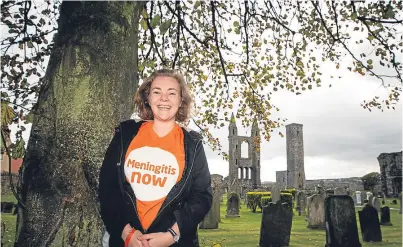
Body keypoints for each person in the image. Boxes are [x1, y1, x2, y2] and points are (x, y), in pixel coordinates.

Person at [99, 69, 213, 247]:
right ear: (147, 98)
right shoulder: (125, 135)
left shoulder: (193, 143)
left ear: (181, 100)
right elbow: (108, 188)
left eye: (172, 93)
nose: (164, 98)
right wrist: (126, 232)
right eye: (157, 92)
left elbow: (201, 197)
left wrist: (171, 235)